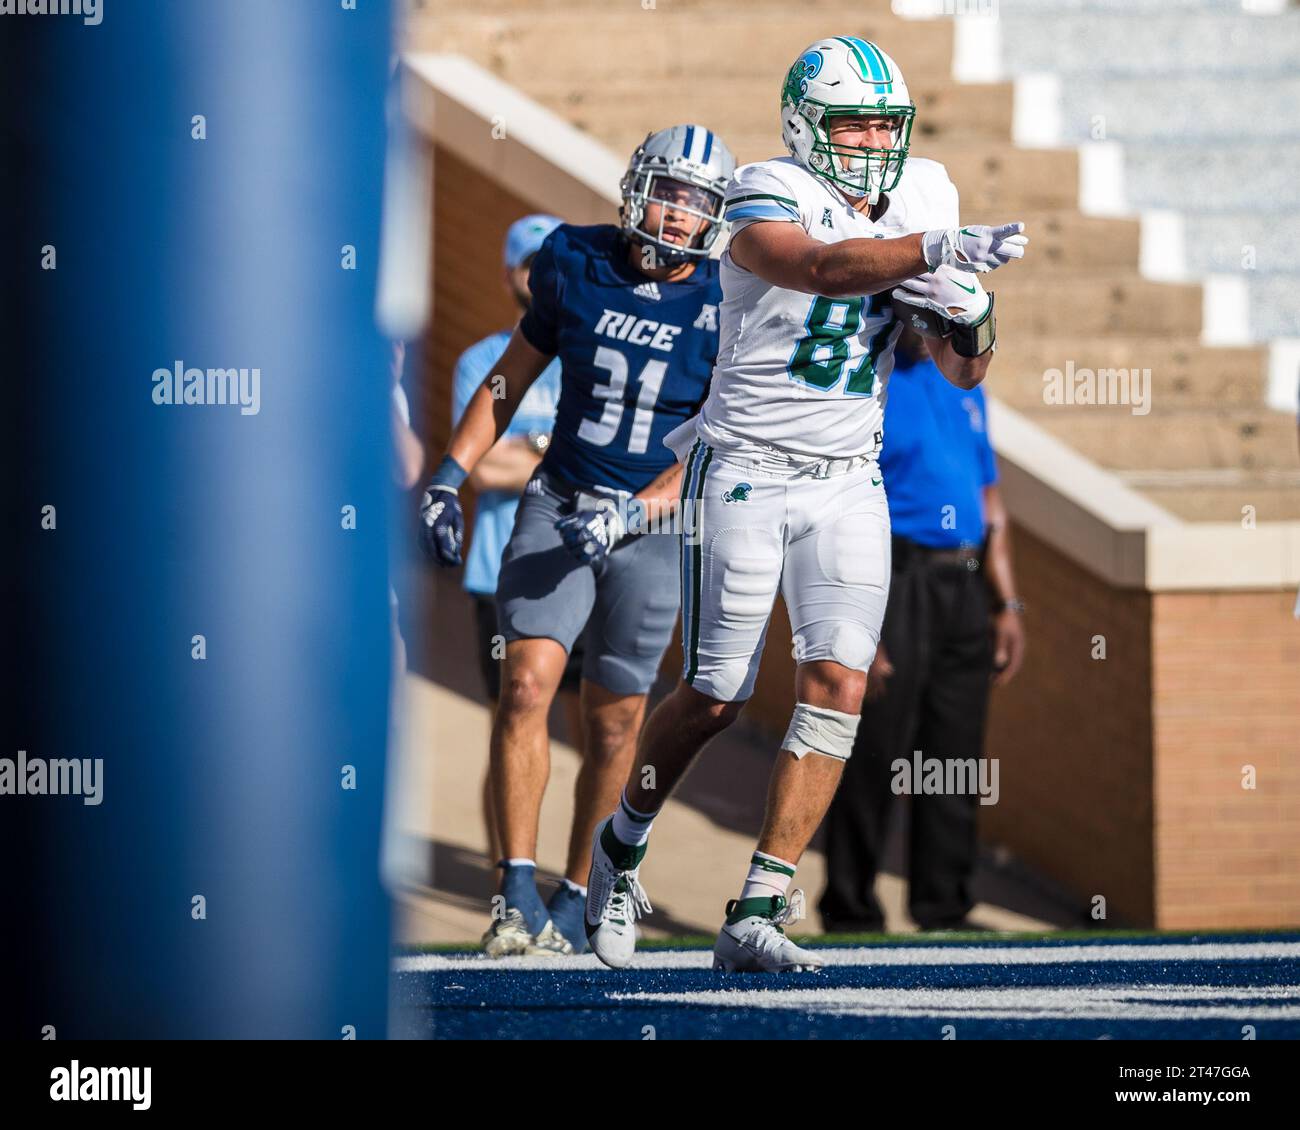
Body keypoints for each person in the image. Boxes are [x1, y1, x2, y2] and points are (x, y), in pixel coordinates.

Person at [584, 36, 1029, 973]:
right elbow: (820, 268)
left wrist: (973, 317)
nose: (872, 142)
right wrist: (934, 249)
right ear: (802, 125)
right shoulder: (763, 186)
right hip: (746, 464)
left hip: (847, 476)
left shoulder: (925, 192)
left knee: (840, 684)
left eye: (885, 123)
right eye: (852, 123)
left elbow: (958, 372)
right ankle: (620, 847)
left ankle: (759, 906)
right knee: (714, 696)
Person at [420, 125, 737, 957]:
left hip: (656, 529)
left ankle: (579, 892)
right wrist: (451, 475)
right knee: (524, 686)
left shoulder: (726, 297)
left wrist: (635, 514)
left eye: (698, 201)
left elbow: (716, 444)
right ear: (637, 188)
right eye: (669, 191)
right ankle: (514, 890)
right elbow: (509, 377)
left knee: (614, 726)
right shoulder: (574, 259)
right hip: (560, 498)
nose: (678, 214)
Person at [818, 328, 1025, 933]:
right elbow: (841, 507)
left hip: (963, 583)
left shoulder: (965, 383)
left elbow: (991, 502)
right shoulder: (867, 383)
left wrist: (1008, 605)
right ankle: (850, 908)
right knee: (874, 750)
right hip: (894, 577)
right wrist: (860, 619)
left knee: (956, 755)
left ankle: (944, 905)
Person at [449, 215, 588, 872]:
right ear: (509, 273)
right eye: (527, 264)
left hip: (586, 566)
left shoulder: (586, 350)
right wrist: (551, 448)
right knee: (513, 722)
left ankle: (587, 883)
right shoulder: (481, 362)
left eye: (547, 263)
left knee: (599, 733)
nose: (538, 276)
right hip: (500, 574)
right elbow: (478, 467)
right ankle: (508, 879)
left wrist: (522, 452)